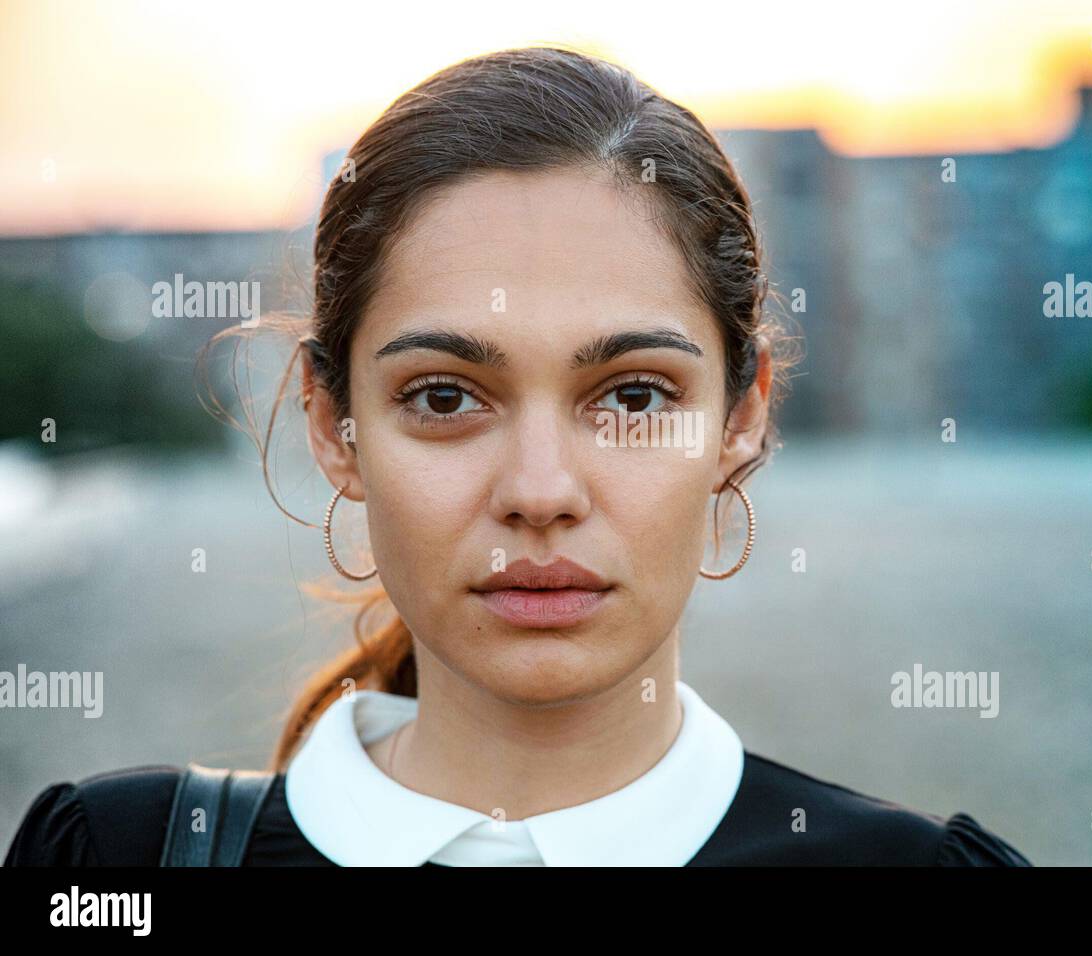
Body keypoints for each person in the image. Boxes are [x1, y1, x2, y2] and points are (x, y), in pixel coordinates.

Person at [5, 45, 1030, 867]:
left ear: (742, 418)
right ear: (331, 420)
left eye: (632, 394)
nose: (540, 493)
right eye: (445, 396)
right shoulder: (110, 865)